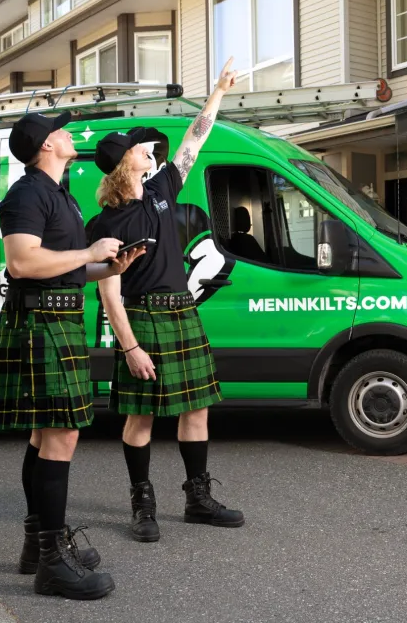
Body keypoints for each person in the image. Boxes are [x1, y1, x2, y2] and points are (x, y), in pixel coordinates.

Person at [91, 58, 244, 543]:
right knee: (141, 418)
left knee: (196, 409)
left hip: (181, 312)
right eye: (140, 147)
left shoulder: (161, 189)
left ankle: (197, 498)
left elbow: (194, 142)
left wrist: (217, 91)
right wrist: (131, 347)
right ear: (124, 162)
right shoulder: (107, 225)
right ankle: (142, 502)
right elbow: (109, 292)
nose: (149, 149)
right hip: (142, 320)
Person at [0, 111, 144, 599]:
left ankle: (39, 546)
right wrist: (87, 253)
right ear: (45, 146)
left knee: (45, 434)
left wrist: (109, 266)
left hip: (57, 318)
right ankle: (53, 562)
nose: (70, 134)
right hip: (39, 323)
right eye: (61, 131)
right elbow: (22, 262)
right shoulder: (27, 194)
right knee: (61, 435)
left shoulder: (59, 195)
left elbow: (62, 270)